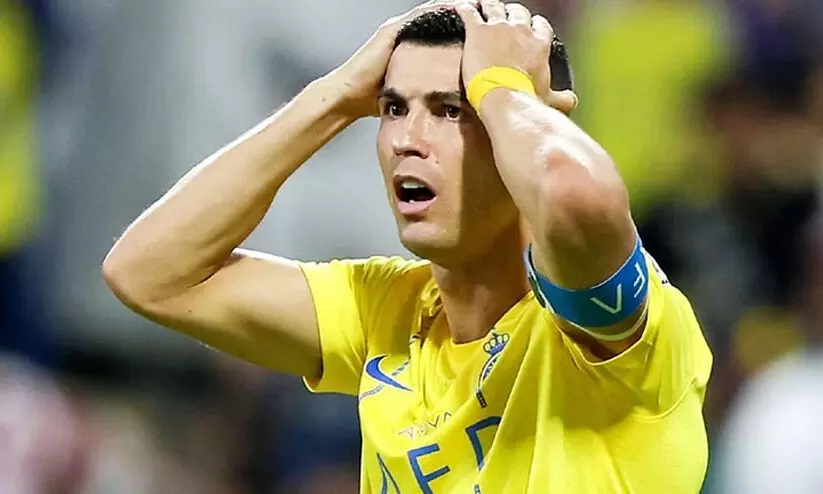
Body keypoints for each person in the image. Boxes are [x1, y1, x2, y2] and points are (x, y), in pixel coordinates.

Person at [102, 1, 712, 492]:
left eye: (452, 110)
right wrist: (335, 96)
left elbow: (570, 194)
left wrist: (502, 87)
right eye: (393, 108)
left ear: (523, 123)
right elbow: (149, 274)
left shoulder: (610, 334)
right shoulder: (384, 312)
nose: (406, 140)